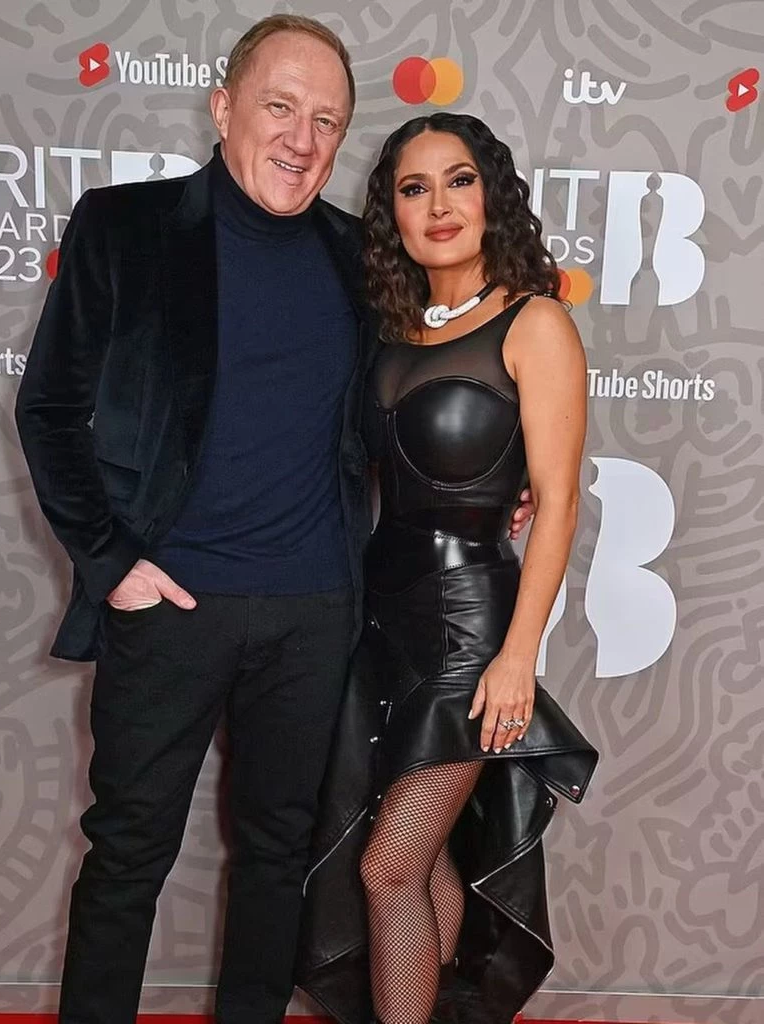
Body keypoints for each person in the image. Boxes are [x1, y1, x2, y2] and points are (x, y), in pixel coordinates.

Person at [16, 15, 536, 1024]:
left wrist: (478, 485)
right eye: (280, 107)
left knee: (278, 857)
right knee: (127, 856)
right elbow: (48, 409)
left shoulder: (358, 260)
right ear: (224, 107)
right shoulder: (123, 227)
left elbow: (401, 408)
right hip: (170, 607)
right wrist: (113, 562)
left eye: (326, 121)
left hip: (314, 613)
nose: (302, 139)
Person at [296, 113, 599, 1024]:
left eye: (458, 180)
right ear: (390, 212)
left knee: (387, 866)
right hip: (380, 624)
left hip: (471, 631)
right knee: (422, 864)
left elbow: (557, 502)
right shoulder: (389, 332)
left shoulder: (534, 322)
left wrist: (516, 659)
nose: (438, 205)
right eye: (413, 188)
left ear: (490, 194)